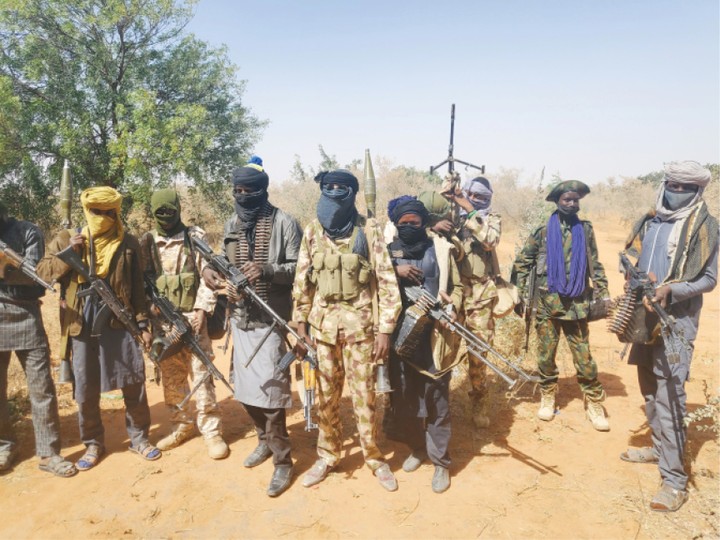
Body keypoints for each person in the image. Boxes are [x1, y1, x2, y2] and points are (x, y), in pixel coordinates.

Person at [292, 169, 401, 492]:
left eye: (342, 187)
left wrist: (385, 330)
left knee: (365, 397)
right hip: (322, 331)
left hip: (361, 331)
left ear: (353, 193)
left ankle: (374, 458)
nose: (335, 191)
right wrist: (300, 326)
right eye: (330, 187)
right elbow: (302, 281)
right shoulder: (313, 231)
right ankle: (328, 455)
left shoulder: (368, 230)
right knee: (325, 398)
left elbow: (386, 280)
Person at [37, 186, 160, 470]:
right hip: (81, 320)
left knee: (133, 379)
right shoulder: (67, 238)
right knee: (86, 386)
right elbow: (42, 272)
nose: (104, 218)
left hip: (119, 317)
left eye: (109, 212)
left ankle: (139, 438)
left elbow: (138, 288)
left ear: (116, 212)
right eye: (97, 212)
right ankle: (93, 443)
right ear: (86, 210)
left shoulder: (127, 242)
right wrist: (69, 254)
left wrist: (143, 323)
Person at [620, 161, 717, 512]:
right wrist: (632, 274)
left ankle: (674, 482)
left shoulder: (704, 227)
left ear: (697, 191)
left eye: (684, 188)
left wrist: (670, 290)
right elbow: (633, 258)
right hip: (642, 318)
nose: (676, 192)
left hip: (676, 323)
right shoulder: (651, 221)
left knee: (670, 396)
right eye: (671, 185)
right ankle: (659, 449)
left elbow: (708, 280)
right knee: (648, 387)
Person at [203, 158, 301, 497]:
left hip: (271, 319)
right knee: (245, 390)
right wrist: (210, 273)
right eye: (238, 190)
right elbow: (221, 260)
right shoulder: (232, 222)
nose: (242, 196)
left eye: (249, 190)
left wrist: (267, 269)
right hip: (240, 317)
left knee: (271, 395)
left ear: (262, 190)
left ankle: (283, 461)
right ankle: (264, 442)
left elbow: (299, 269)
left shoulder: (285, 222)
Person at [511, 180, 610, 431]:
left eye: (575, 200)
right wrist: (518, 295)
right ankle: (547, 393)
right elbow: (522, 264)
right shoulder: (543, 232)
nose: (572, 204)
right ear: (557, 201)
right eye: (567, 199)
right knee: (546, 354)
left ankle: (594, 401)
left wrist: (604, 292)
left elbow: (595, 264)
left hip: (577, 304)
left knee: (584, 356)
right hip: (547, 304)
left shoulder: (585, 230)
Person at [141, 188, 228, 460]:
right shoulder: (147, 242)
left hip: (194, 320)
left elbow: (208, 277)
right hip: (164, 325)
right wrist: (149, 309)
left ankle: (211, 431)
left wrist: (202, 310)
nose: (166, 216)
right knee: (172, 377)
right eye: (160, 212)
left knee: (202, 375)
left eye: (170, 210)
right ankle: (181, 426)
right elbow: (141, 282)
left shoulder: (194, 236)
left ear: (178, 208)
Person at [385, 196, 463, 493]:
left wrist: (452, 308)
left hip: (434, 336)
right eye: (403, 223)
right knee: (406, 397)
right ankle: (417, 448)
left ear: (423, 223)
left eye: (414, 222)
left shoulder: (440, 249)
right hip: (400, 337)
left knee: (437, 398)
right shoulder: (389, 251)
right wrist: (396, 271)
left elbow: (458, 288)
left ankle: (441, 461)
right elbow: (373, 281)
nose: (408, 227)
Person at [0, 201, 77, 477]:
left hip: (26, 316)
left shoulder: (28, 232)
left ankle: (48, 453)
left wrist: (4, 268)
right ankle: (4, 446)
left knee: (41, 388)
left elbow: (36, 276)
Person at [443, 176, 502, 428]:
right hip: (454, 293)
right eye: (471, 194)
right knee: (445, 350)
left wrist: (469, 209)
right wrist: (448, 196)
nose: (475, 199)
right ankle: (440, 403)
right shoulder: (452, 215)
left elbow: (489, 241)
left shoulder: (491, 219)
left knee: (478, 354)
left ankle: (479, 402)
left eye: (481, 197)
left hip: (480, 294)